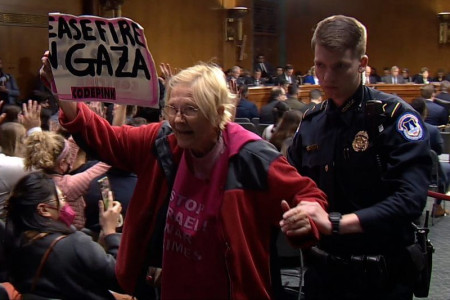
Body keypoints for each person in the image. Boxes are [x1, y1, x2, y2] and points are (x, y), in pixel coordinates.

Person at [40, 56, 328, 299]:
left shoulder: (253, 157)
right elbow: (105, 139)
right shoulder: (162, 140)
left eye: (190, 110)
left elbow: (309, 198)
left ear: (218, 113)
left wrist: (306, 218)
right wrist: (63, 93)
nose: (177, 119)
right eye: (172, 109)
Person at [287, 15, 431, 299]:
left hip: (379, 278)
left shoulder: (394, 119)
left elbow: (410, 199)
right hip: (322, 275)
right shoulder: (311, 122)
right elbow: (293, 182)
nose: (326, 78)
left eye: (340, 66)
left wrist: (338, 223)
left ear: (363, 64)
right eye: (320, 66)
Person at [4, 171, 124, 299]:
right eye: (62, 199)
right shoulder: (75, 244)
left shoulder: (17, 244)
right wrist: (110, 232)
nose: (66, 205)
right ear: (44, 209)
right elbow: (121, 279)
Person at [24, 130, 110, 229]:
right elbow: (105, 165)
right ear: (62, 163)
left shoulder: (34, 176)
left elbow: (71, 145)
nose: (71, 159)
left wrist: (84, 124)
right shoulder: (67, 186)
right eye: (68, 158)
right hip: (69, 234)